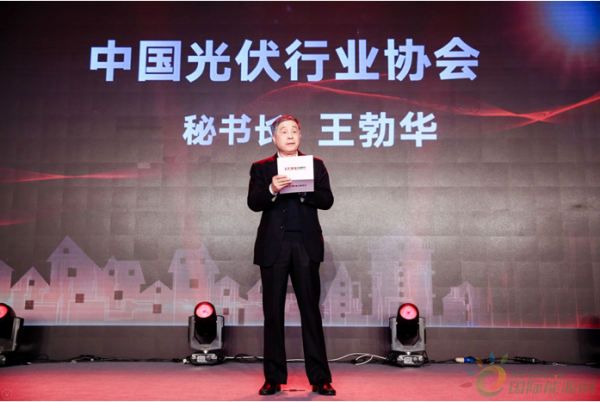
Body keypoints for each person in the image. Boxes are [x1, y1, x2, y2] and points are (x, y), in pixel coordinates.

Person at [247, 115, 336, 396]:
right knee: (273, 314)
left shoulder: (315, 165)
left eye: (294, 131)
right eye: (283, 131)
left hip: (306, 245)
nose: (289, 135)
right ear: (274, 138)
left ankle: (320, 377)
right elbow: (253, 202)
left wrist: (304, 191)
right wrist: (272, 189)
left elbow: (327, 200)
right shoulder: (261, 167)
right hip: (273, 247)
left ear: (300, 136)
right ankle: (273, 377)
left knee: (311, 312)